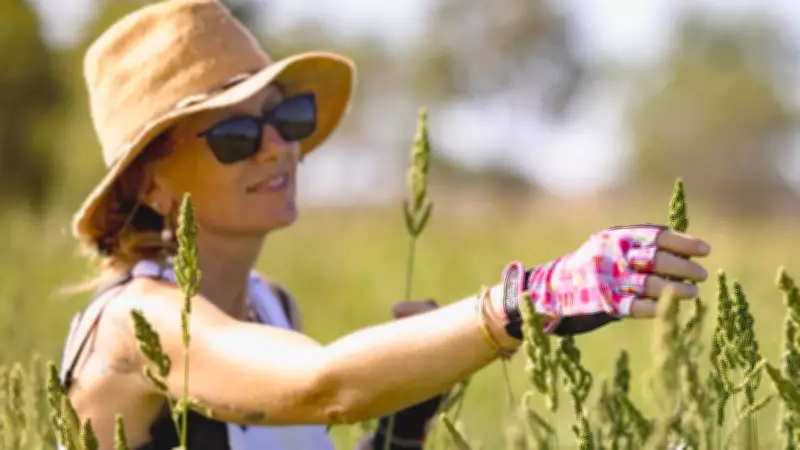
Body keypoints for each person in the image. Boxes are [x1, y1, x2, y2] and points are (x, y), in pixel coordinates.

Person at [57, 1, 713, 449]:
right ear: (149, 179)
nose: (276, 147)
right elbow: (321, 386)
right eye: (233, 132)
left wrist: (403, 422)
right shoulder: (133, 322)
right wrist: (523, 302)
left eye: (286, 119)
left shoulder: (271, 304)